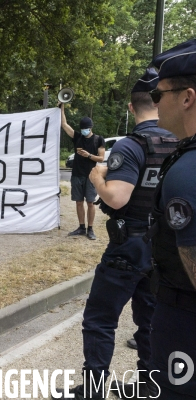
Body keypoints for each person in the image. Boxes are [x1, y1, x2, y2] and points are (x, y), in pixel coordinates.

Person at [53, 69, 178, 399]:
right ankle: (148, 384)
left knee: (99, 319)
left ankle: (92, 391)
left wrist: (97, 179)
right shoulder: (178, 142)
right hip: (163, 248)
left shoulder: (133, 144)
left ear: (130, 107)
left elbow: (117, 197)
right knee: (149, 321)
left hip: (129, 247)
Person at [145, 39, 196, 399]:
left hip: (185, 325)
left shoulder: (188, 173)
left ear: (187, 97)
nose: (155, 104)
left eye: (159, 95)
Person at [61, 104, 105, 240]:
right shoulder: (77, 137)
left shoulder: (99, 139)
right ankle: (81, 227)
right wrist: (61, 108)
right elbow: (64, 124)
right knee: (78, 202)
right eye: (82, 129)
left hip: (91, 176)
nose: (84, 131)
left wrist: (89, 155)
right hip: (77, 175)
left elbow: (101, 158)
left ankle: (90, 229)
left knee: (90, 202)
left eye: (86, 129)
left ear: (91, 128)